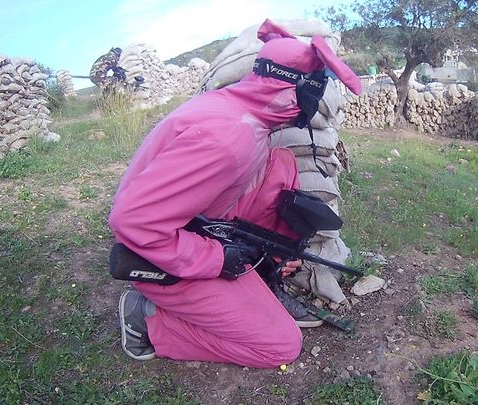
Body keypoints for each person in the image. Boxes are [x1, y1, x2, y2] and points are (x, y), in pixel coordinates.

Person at [107, 20, 362, 367]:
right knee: (281, 346)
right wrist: (217, 258)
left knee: (283, 164)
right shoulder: (229, 139)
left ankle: (262, 274)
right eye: (314, 90)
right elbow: (133, 222)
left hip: (194, 222)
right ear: (294, 90)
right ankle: (147, 318)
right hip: (156, 253)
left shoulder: (242, 115)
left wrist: (270, 247)